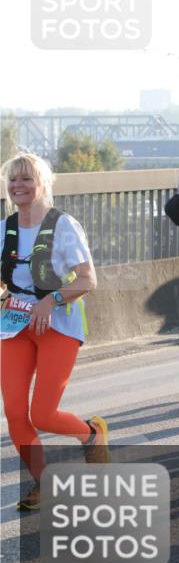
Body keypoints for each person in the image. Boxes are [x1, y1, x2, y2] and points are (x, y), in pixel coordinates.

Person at [1, 152, 107, 512]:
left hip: (57, 323)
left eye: (26, 179)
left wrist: (51, 301)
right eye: (13, 179)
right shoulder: (6, 229)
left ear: (42, 183)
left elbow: (88, 279)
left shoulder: (63, 225)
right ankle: (44, 483)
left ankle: (91, 434)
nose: (18, 186)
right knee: (15, 413)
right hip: (15, 327)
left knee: (43, 415)